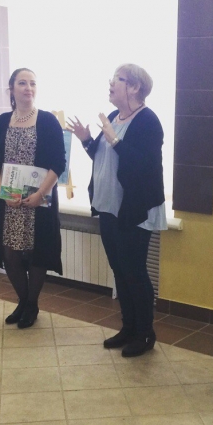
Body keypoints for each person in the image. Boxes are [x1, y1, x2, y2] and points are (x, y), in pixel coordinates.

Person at [68, 64, 166, 357]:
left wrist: (114, 139)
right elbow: (103, 157)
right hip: (108, 207)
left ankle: (145, 333)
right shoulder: (113, 117)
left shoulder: (148, 121)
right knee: (119, 271)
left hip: (134, 209)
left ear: (135, 87)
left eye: (118, 79)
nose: (110, 83)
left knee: (135, 272)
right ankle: (128, 328)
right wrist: (87, 139)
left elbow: (143, 166)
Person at [0, 68, 66, 329]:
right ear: (11, 89)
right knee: (10, 254)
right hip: (9, 203)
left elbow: (58, 163)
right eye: (22, 83)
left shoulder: (48, 121)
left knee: (37, 254)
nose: (28, 88)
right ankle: (24, 302)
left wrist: (40, 194)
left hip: (39, 202)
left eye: (32, 83)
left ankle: (31, 305)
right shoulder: (1, 122)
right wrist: (3, 192)